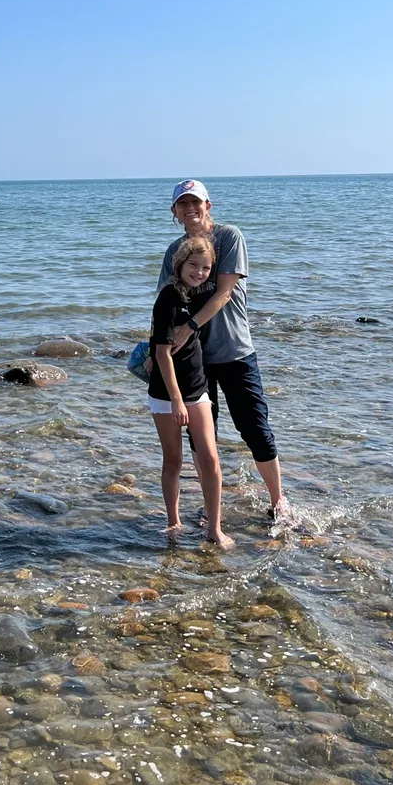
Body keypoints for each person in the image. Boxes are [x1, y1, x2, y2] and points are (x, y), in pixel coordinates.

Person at [158, 179, 292, 526]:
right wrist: (158, 349)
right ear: (174, 212)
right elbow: (165, 304)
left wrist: (190, 328)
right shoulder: (174, 252)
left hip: (234, 352)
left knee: (255, 429)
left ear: (208, 205)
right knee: (204, 441)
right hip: (194, 363)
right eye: (183, 203)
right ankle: (210, 509)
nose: (190, 208)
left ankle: (279, 502)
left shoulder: (229, 236)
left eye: (196, 202)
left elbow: (224, 294)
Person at [147, 234, 235, 549]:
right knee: (174, 460)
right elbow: (161, 354)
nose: (199, 272)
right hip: (165, 395)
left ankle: (214, 528)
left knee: (210, 458)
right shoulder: (169, 296)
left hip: (197, 390)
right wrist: (175, 402)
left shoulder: (199, 293)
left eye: (206, 267)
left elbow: (225, 292)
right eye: (193, 265)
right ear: (180, 264)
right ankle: (173, 522)